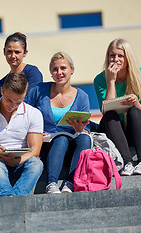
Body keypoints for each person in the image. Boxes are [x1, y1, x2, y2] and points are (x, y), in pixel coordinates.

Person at [25, 52, 92, 194]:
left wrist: (80, 129)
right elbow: (23, 111)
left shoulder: (82, 97)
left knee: (84, 138)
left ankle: (70, 182)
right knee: (61, 138)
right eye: (55, 69)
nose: (59, 72)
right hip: (46, 145)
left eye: (63, 68)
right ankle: (51, 184)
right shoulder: (39, 90)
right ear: (51, 73)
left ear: (71, 70)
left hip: (71, 148)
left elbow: (87, 129)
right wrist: (34, 131)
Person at [0, 72, 44, 196]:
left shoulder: (34, 114)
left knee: (37, 164)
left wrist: (16, 161)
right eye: (9, 100)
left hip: (19, 164)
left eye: (18, 102)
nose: (12, 106)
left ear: (24, 95)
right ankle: (14, 201)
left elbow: (35, 151)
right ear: (2, 91)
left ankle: (11, 200)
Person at [94, 38, 141, 176]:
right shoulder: (99, 79)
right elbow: (106, 109)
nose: (116, 59)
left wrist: (135, 102)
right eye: (112, 55)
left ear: (128, 58)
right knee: (109, 115)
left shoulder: (140, 74)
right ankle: (128, 162)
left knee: (134, 111)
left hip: (136, 130)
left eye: (121, 56)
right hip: (113, 131)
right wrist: (111, 80)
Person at [0, 32, 43, 106]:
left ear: (25, 53)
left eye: (17, 52)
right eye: (9, 51)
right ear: (4, 52)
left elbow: (31, 100)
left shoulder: (32, 72)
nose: (13, 56)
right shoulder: (3, 81)